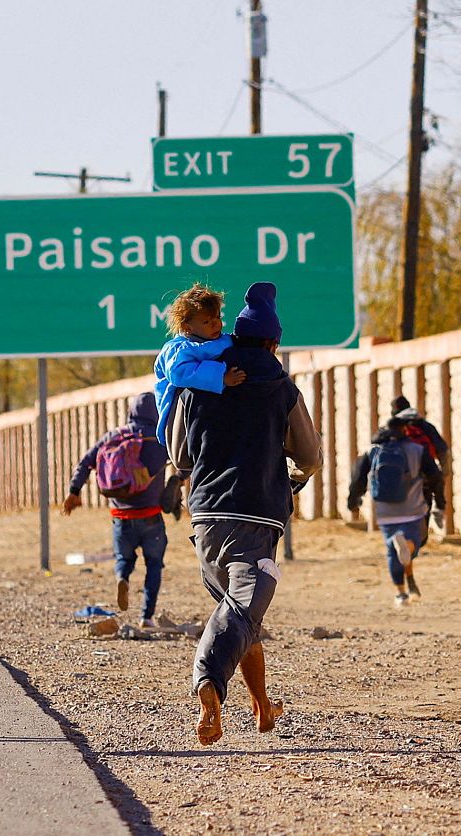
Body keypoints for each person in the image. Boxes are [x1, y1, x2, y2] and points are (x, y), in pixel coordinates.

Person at [167, 282, 321, 746]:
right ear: (273, 343)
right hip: (256, 516)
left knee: (240, 613)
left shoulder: (198, 383)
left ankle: (262, 706)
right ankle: (209, 684)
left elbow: (179, 454)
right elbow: (310, 456)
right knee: (242, 607)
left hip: (207, 517)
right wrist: (292, 480)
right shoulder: (281, 389)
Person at [62, 392, 172, 628]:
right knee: (154, 564)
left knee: (124, 557)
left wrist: (74, 491)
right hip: (151, 515)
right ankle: (147, 616)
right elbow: (185, 462)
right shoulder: (161, 438)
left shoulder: (114, 436)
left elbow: (85, 462)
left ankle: (122, 577)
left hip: (120, 516)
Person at [346, 420, 444, 607]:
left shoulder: (373, 451)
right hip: (412, 509)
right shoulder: (417, 449)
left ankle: (401, 594)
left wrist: (354, 501)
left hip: (384, 510)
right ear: (404, 430)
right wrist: (437, 500)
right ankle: (406, 543)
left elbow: (357, 476)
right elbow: (435, 476)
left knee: (392, 553)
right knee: (413, 543)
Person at [153, 283, 248, 447]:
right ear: (187, 328)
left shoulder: (221, 340)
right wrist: (221, 377)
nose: (215, 324)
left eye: (217, 317)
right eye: (206, 322)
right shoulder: (177, 349)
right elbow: (179, 372)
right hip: (179, 415)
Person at [389, 396, 451, 526]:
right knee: (424, 513)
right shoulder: (426, 426)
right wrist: (444, 472)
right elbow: (443, 450)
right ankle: (438, 509)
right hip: (425, 476)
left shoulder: (393, 428)